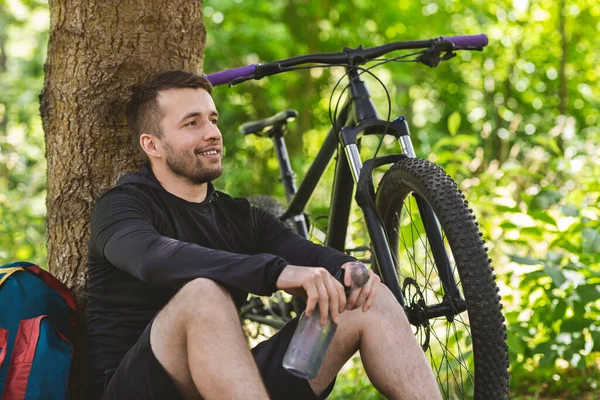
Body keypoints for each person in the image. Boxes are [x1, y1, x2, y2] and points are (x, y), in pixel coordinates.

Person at [86, 70, 442, 400]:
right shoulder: (121, 207)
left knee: (370, 298)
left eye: (212, 120)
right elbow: (152, 258)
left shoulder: (241, 217)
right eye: (191, 123)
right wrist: (275, 272)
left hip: (232, 384)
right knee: (202, 293)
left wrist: (350, 270)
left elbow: (308, 254)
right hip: (144, 388)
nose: (212, 132)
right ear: (153, 145)